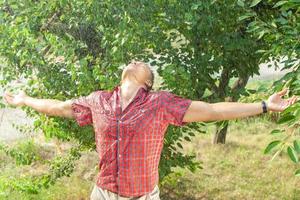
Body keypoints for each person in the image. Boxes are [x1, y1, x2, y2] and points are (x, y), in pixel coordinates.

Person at [3, 60, 299, 200]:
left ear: (148, 83)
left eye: (141, 63)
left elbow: (213, 111)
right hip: (103, 194)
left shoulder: (160, 103)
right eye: (132, 61)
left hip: (144, 197)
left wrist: (263, 105)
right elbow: (57, 106)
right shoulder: (98, 100)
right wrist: (24, 99)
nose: (135, 61)